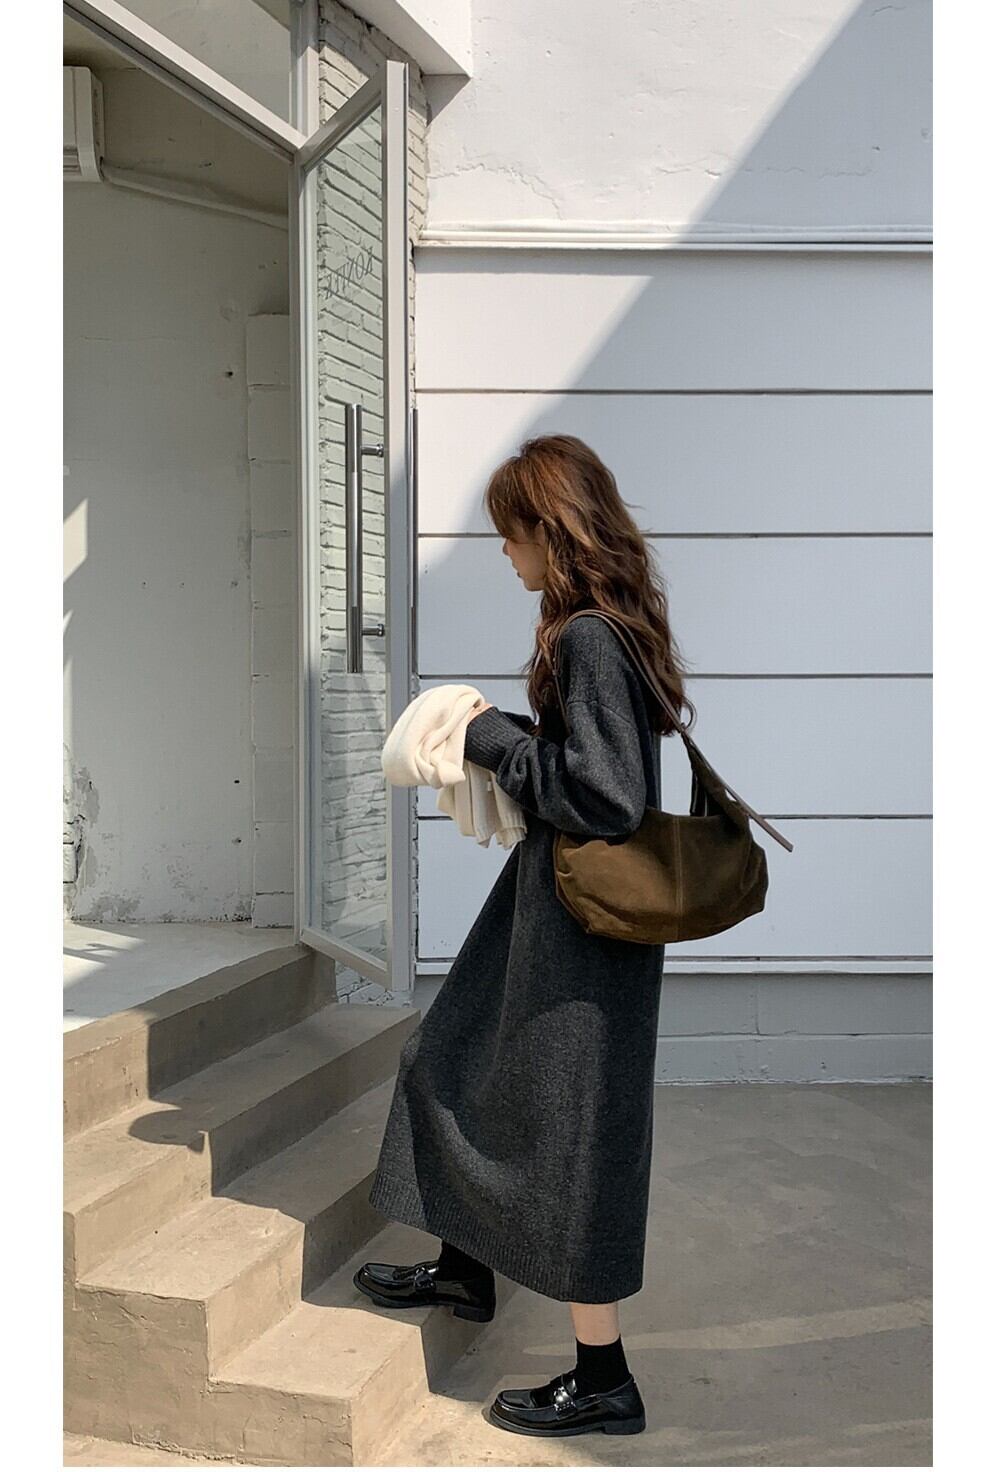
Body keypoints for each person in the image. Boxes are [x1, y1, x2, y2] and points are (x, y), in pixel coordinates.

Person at [355, 433, 695, 1438]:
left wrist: (491, 737)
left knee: (574, 1138)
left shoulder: (590, 636)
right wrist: (516, 735)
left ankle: (604, 1377)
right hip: (557, 913)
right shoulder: (609, 627)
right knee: (452, 1056)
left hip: (583, 931)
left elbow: (607, 795)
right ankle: (465, 1268)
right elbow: (599, 768)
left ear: (552, 529)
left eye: (510, 535)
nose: (504, 554)